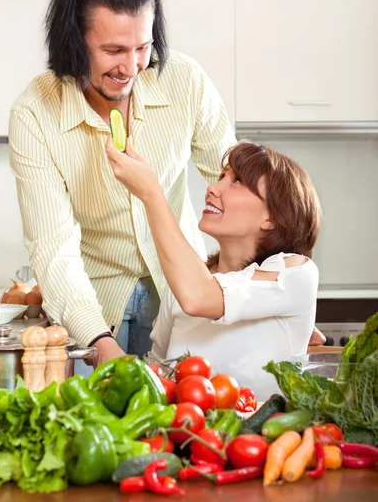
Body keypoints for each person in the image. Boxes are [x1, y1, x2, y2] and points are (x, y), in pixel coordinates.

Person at [8, 0, 236, 364]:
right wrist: (100, 344)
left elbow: (242, 185)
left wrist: (271, 282)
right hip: (92, 304)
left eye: (143, 47)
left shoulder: (186, 81)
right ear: (74, 41)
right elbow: (53, 247)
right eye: (113, 50)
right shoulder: (35, 112)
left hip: (183, 293)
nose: (130, 67)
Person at [106, 139, 322, 399]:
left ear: (271, 217)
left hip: (263, 436)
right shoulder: (184, 283)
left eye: (238, 181)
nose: (213, 188)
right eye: (222, 176)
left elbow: (200, 297)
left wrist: (151, 194)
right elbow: (159, 373)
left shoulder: (297, 273)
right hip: (188, 433)